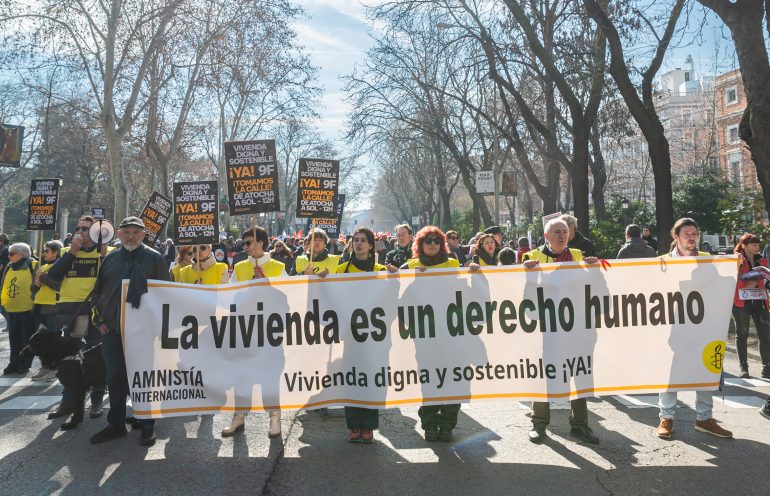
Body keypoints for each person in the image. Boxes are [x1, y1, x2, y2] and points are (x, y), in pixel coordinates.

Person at [89, 217, 169, 446]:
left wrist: (159, 329)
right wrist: (100, 323)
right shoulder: (110, 259)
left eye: (136, 232)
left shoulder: (155, 258)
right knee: (114, 377)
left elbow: (167, 294)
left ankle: (147, 424)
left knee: (144, 378)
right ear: (120, 234)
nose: (131, 236)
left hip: (145, 332)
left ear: (144, 234)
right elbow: (97, 294)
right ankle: (116, 424)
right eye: (127, 232)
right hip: (113, 330)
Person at [521, 219, 600, 444]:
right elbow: (524, 290)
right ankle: (539, 424)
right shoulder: (531, 257)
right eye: (557, 232)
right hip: (546, 326)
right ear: (546, 236)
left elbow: (590, 286)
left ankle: (580, 425)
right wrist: (528, 274)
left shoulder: (577, 254)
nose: (562, 236)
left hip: (574, 325)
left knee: (579, 373)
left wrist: (592, 268)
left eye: (565, 232)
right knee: (544, 374)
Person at [655, 217, 733, 439]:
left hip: (703, 328)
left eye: (694, 234)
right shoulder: (661, 262)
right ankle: (666, 417)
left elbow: (720, 286)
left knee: (705, 368)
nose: (691, 238)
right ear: (676, 237)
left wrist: (732, 266)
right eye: (687, 234)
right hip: (673, 327)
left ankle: (704, 418)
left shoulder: (708, 261)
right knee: (668, 372)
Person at [221, 226, 285, 438]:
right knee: (242, 375)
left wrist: (267, 284)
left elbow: (288, 297)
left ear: (261, 243)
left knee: (270, 376)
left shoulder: (277, 266)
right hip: (245, 330)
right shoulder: (239, 267)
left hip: (270, 331)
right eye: (244, 243)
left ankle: (275, 417)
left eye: (248, 243)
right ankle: (239, 417)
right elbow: (232, 297)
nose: (244, 246)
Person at [45, 215, 110, 420]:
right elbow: (53, 276)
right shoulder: (66, 251)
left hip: (96, 311)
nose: (81, 231)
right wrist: (71, 252)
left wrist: (104, 256)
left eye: (86, 228)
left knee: (96, 355)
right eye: (79, 227)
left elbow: (110, 280)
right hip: (72, 312)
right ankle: (68, 401)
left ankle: (97, 400)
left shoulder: (106, 253)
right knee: (70, 357)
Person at [400, 226, 461, 442]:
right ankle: (429, 424)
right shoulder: (410, 267)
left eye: (437, 240)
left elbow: (465, 292)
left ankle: (447, 424)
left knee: (453, 379)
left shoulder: (454, 264)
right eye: (428, 241)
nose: (433, 244)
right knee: (429, 380)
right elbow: (399, 296)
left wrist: (474, 272)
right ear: (421, 245)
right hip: (424, 335)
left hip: (451, 333)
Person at [336, 227, 387, 443]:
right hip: (350, 336)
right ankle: (354, 425)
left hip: (375, 337)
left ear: (370, 245)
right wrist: (317, 279)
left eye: (363, 240)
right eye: (355, 240)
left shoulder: (382, 269)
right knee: (352, 378)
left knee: (372, 380)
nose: (359, 243)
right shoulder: (341, 270)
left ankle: (369, 426)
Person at [732, 233, 770, 379]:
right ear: (744, 246)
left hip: (760, 300)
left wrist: (760, 280)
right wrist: (747, 283)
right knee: (742, 333)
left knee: (765, 334)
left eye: (757, 244)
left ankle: (766, 367)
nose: (757, 247)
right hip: (741, 301)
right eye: (753, 245)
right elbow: (732, 279)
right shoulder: (736, 259)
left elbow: (765, 279)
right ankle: (744, 368)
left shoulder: (762, 260)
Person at [1, 243, 37, 375]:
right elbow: (3, 283)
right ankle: (14, 362)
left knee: (27, 338)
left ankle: (24, 364)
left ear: (23, 254)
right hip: (11, 309)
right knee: (14, 338)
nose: (9, 256)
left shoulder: (33, 265)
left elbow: (37, 286)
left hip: (28, 309)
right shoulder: (9, 267)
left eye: (12, 253)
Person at [30, 240, 63, 381]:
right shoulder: (42, 266)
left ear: (56, 253)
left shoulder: (61, 266)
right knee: (41, 340)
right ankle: (45, 366)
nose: (44, 253)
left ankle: (54, 368)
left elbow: (58, 286)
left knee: (53, 339)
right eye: (44, 250)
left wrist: (42, 277)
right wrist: (36, 284)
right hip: (39, 306)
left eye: (47, 251)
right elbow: (33, 290)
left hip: (53, 307)